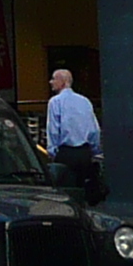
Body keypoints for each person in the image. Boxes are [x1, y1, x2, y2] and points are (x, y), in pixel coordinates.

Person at [44, 69, 105, 204]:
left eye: (54, 78)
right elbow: (94, 130)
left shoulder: (55, 102)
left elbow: (53, 129)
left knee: (64, 195)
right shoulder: (85, 101)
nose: (51, 82)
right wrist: (95, 150)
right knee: (82, 193)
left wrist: (52, 150)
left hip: (65, 153)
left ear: (63, 82)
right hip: (84, 152)